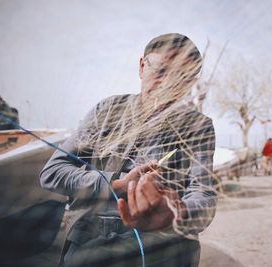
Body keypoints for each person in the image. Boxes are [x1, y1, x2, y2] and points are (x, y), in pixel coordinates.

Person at [40, 33, 216, 267]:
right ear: (142, 66)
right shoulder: (106, 111)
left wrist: (177, 211)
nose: (167, 86)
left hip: (164, 245)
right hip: (90, 238)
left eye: (181, 78)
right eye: (161, 72)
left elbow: (203, 195)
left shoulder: (198, 126)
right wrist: (115, 185)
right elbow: (52, 173)